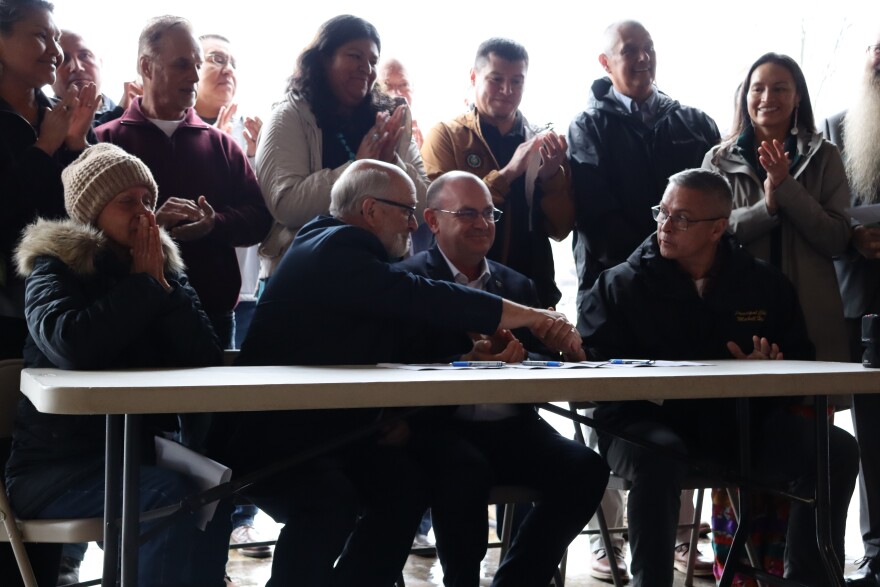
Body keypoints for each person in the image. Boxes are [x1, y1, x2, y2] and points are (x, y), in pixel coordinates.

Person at [224, 159, 581, 586]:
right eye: (407, 210)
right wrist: (533, 318)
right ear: (371, 210)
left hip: (327, 431)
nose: (414, 225)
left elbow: (390, 332)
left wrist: (470, 350)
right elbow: (423, 298)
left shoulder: (335, 244)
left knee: (405, 485)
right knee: (331, 501)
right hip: (275, 438)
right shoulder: (336, 249)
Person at [578, 167, 859, 587]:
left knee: (836, 448)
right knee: (661, 452)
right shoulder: (620, 285)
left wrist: (771, 370)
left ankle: (807, 578)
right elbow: (592, 369)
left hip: (735, 425)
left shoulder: (763, 284)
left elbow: (801, 360)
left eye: (682, 218)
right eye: (662, 212)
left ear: (717, 229)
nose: (665, 226)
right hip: (640, 427)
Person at [4, 143, 230, 587]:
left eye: (148, 200)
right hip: (53, 470)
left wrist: (162, 284)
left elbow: (205, 356)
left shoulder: (156, 268)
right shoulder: (54, 268)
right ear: (92, 212)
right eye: (127, 202)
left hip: (131, 456)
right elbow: (72, 345)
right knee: (168, 499)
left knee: (219, 496)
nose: (144, 212)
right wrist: (144, 286)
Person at [395, 170, 608, 586]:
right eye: (468, 213)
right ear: (433, 220)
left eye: (489, 214)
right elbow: (397, 361)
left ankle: (516, 580)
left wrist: (547, 355)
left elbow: (547, 355)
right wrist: (464, 360)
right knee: (464, 470)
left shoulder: (516, 284)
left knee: (586, 468)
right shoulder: (408, 281)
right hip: (439, 427)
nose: (483, 224)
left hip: (515, 426)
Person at [567, 20, 720, 579]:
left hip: (689, 291)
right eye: (629, 51)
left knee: (680, 409)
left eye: (649, 50)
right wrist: (668, 247)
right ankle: (606, 541)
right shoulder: (588, 125)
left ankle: (681, 539)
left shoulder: (692, 122)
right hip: (614, 290)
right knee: (609, 415)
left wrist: (685, 251)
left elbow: (713, 201)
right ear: (605, 63)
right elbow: (596, 212)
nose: (642, 59)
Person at [96, 15, 272, 349]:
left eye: (197, 65)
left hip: (213, 316)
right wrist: (147, 227)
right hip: (129, 314)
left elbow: (259, 220)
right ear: (146, 67)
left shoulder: (223, 145)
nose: (194, 76)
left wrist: (213, 224)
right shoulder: (105, 142)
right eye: (181, 65)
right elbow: (82, 231)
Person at [255, 14, 429, 281]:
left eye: (372, 61)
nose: (366, 68)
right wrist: (355, 169)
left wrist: (392, 161)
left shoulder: (391, 119)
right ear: (324, 59)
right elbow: (286, 205)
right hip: (309, 278)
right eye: (354, 56)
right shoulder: (288, 116)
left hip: (384, 274)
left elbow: (423, 207)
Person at [192, 31, 270, 561]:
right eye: (215, 58)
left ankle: (233, 526)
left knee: (226, 422)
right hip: (179, 300)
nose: (226, 68)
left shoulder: (241, 136)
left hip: (239, 294)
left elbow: (261, 215)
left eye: (233, 62)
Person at [420, 37, 573, 309]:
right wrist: (510, 172)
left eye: (517, 81)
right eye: (496, 79)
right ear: (473, 76)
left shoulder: (539, 140)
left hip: (531, 286)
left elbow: (560, 230)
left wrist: (552, 180)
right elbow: (439, 220)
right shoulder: (446, 135)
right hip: (465, 286)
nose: (506, 90)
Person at [0, 0, 97, 360]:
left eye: (55, 38)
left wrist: (76, 145)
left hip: (69, 304)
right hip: (10, 308)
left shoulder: (61, 114)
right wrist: (44, 149)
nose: (56, 52)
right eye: (41, 36)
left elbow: (91, 210)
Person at [823, 34, 880, 587]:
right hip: (863, 302)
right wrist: (855, 241)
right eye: (876, 48)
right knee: (873, 437)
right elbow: (825, 220)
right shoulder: (836, 128)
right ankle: (878, 551)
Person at [50, 29, 141, 127]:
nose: (76, 67)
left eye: (84, 55)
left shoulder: (136, 114)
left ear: (100, 62)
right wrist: (118, 114)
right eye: (64, 59)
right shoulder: (40, 119)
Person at [378, 57, 423, 148]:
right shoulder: (371, 133)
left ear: (413, 89)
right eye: (387, 85)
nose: (396, 94)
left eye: (403, 85)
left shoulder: (421, 133)